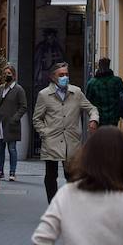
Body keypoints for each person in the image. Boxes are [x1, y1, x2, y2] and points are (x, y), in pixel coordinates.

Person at [33, 61, 100, 203]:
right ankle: (53, 205)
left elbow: (92, 109)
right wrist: (44, 133)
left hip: (72, 140)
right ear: (53, 77)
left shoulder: (76, 92)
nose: (65, 77)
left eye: (66, 74)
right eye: (61, 75)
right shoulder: (44, 95)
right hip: (52, 140)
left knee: (72, 175)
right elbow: (37, 119)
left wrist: (93, 120)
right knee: (51, 175)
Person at [0, 64, 27, 181]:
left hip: (11, 124)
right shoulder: (0, 88)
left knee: (12, 148)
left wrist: (15, 118)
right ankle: (0, 171)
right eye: (4, 74)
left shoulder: (18, 90)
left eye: (8, 74)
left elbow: (23, 106)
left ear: (14, 75)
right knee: (0, 149)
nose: (6, 76)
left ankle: (12, 172)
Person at [84, 57, 123, 128]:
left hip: (98, 118)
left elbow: (87, 101)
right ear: (109, 66)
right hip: (113, 118)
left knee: (101, 138)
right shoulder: (117, 81)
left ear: (98, 66)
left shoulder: (92, 83)